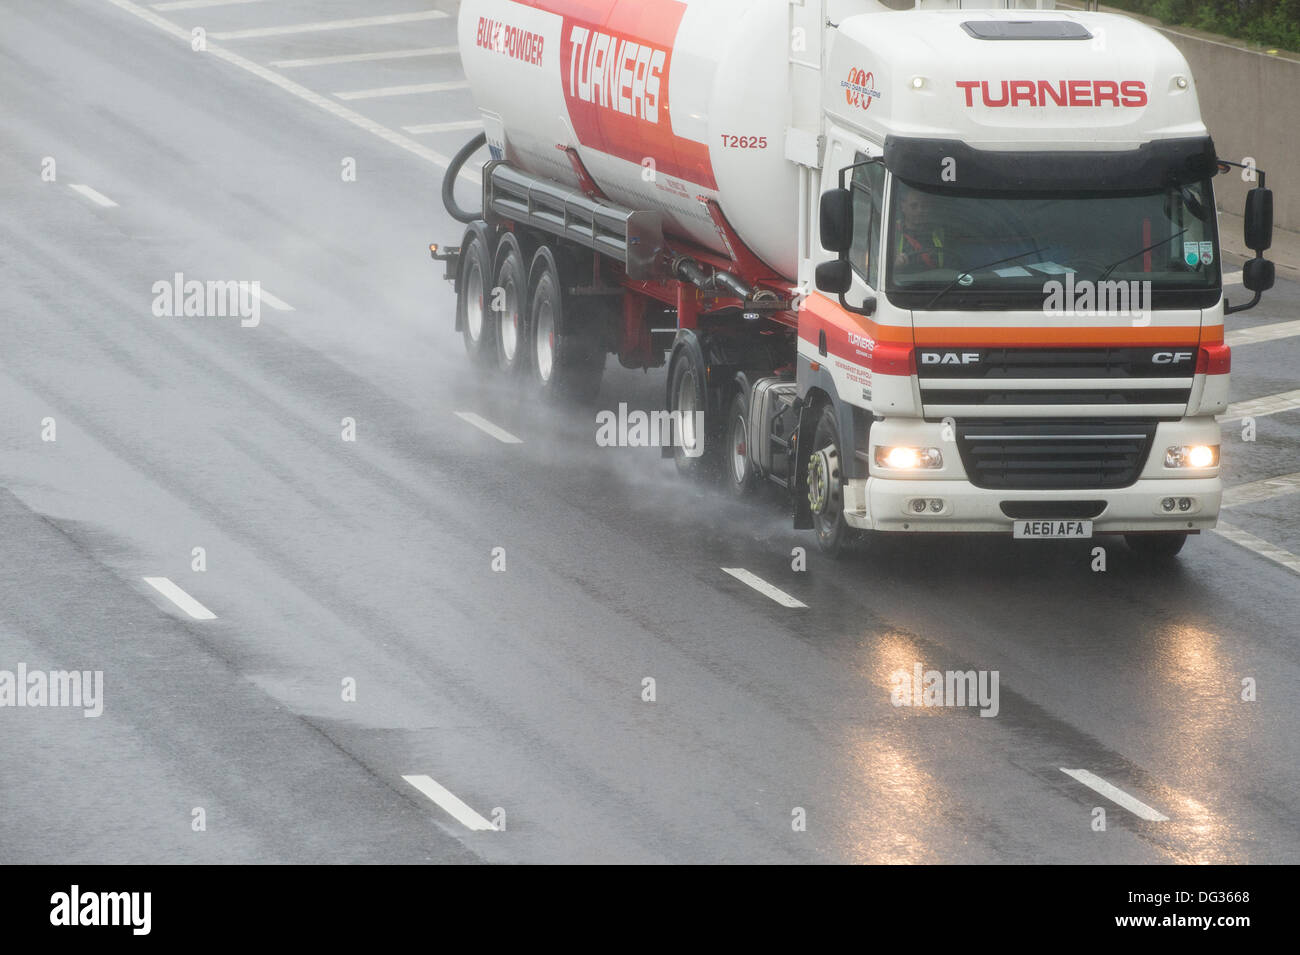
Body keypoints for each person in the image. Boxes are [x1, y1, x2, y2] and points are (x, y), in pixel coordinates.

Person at [893, 188, 945, 271]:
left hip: (939, 282)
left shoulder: (940, 232)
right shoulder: (891, 232)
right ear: (903, 207)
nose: (920, 210)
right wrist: (894, 266)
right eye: (914, 206)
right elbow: (875, 269)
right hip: (902, 282)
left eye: (924, 206)